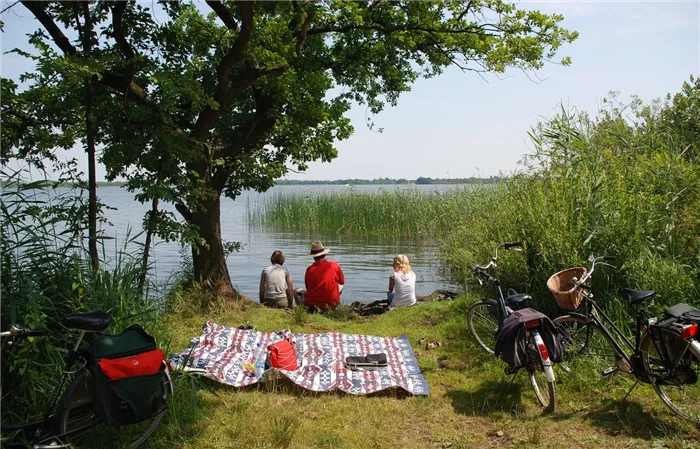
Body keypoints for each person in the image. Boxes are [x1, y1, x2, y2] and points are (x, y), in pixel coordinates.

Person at [301, 241, 345, 310]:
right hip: (331, 304)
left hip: (313, 305)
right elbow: (342, 282)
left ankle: (301, 310)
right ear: (324, 254)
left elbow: (308, 288)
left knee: (297, 291)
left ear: (314, 257)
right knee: (340, 286)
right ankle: (334, 303)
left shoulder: (309, 270)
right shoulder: (334, 265)